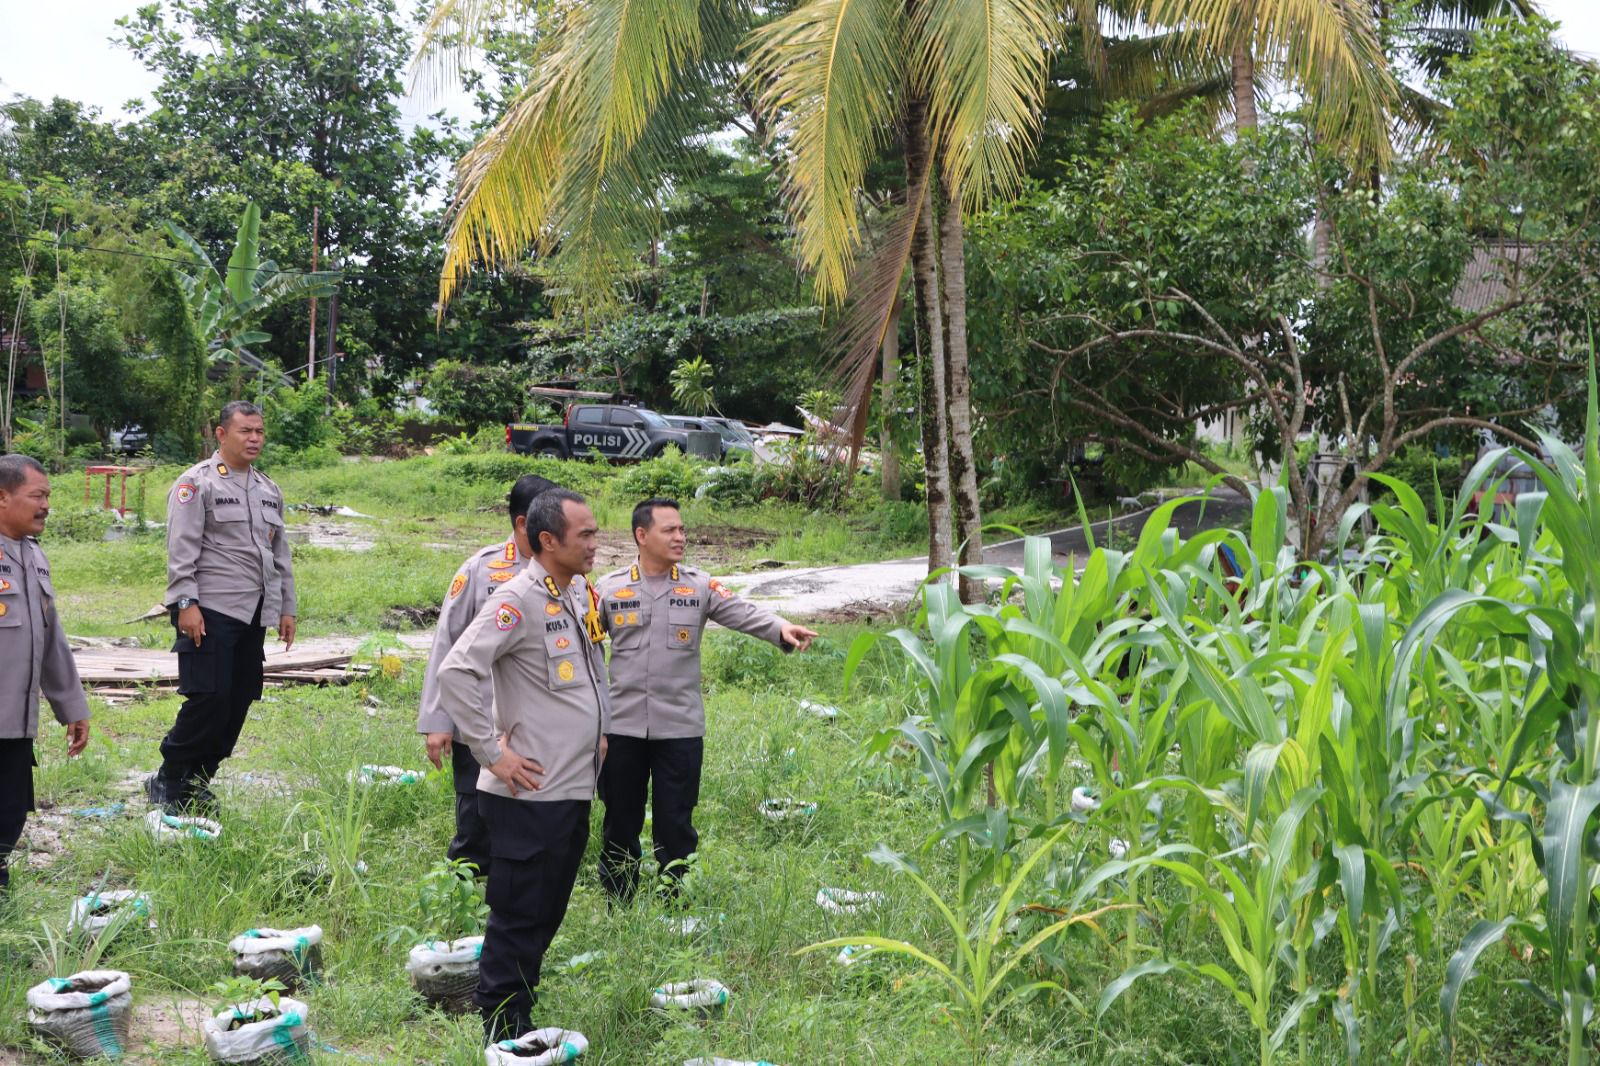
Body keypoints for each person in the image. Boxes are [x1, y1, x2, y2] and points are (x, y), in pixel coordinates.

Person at [434, 488, 609, 1042]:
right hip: (527, 794)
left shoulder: (577, 592)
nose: (595, 543)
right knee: (518, 915)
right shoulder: (518, 599)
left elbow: (590, 667)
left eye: (595, 532)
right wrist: (493, 752)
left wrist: (598, 733)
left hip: (569, 786)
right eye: (585, 534)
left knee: (546, 911)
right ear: (547, 540)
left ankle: (517, 1007)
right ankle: (501, 1023)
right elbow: (458, 671)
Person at [594, 497, 817, 903]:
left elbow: (741, 611)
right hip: (622, 726)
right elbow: (582, 641)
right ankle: (618, 901)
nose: (681, 537)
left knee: (676, 821)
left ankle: (674, 901)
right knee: (619, 820)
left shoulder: (698, 585)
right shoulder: (609, 588)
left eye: (682, 529)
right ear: (642, 536)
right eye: (670, 530)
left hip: (679, 727)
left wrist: (780, 627)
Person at [147, 401, 296, 813]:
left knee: (240, 697)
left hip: (254, 613)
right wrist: (185, 603)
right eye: (245, 431)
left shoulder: (268, 490)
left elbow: (279, 555)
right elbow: (181, 548)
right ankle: (169, 777)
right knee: (208, 697)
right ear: (221, 434)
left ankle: (198, 779)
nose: (254, 439)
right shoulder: (198, 483)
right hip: (209, 609)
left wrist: (287, 608)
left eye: (259, 432)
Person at [417, 474, 560, 877]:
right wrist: (437, 721)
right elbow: (447, 643)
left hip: (537, 722)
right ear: (521, 524)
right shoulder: (481, 570)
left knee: (528, 815)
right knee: (475, 820)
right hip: (479, 721)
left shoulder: (566, 572)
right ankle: (461, 901)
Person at [0, 455, 91, 895]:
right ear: (2, 497)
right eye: (37, 496)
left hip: (15, 724)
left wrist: (71, 706)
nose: (46, 505)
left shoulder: (33, 556)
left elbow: (50, 639)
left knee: (11, 811)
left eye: (48, 496)